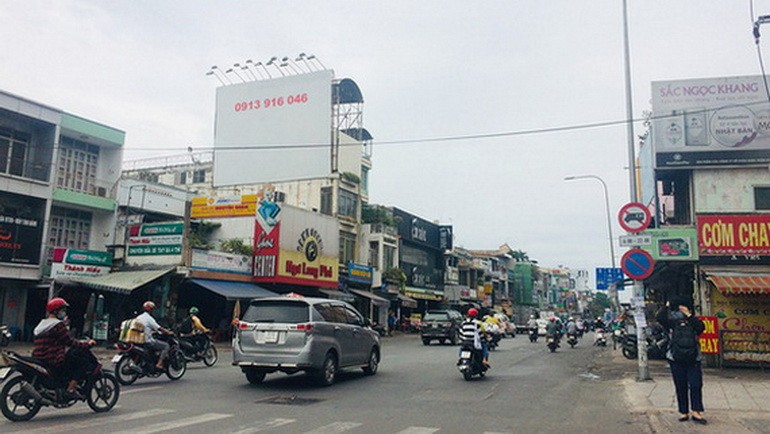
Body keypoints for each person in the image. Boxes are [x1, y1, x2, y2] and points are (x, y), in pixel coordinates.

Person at [32, 297, 96, 398]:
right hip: (53, 358)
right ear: (56, 311)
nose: (64, 313)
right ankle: (71, 389)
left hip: (39, 357)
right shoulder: (58, 325)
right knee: (82, 363)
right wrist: (87, 344)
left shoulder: (42, 324)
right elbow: (68, 342)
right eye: (62, 310)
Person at [656, 299, 707, 424]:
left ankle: (696, 411)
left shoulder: (693, 322)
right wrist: (666, 306)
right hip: (676, 358)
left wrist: (689, 315)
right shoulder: (672, 323)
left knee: (695, 385)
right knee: (680, 386)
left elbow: (701, 327)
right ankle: (683, 412)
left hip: (693, 359)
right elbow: (660, 318)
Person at [135, 301, 172, 370]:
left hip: (138, 340)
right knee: (166, 346)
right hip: (147, 341)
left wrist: (151, 331)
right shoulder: (149, 318)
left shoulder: (139, 317)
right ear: (151, 310)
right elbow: (159, 328)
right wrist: (168, 332)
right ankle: (159, 364)